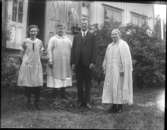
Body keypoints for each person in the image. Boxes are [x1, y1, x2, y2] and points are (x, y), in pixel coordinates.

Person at [102, 29, 133, 113]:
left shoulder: (123, 45)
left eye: (115, 34)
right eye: (112, 34)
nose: (113, 36)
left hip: (119, 71)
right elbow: (106, 57)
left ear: (119, 34)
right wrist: (104, 65)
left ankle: (119, 106)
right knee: (111, 87)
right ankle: (113, 105)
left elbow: (127, 59)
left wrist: (123, 69)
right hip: (110, 71)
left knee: (119, 87)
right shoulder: (110, 46)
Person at [71, 18, 96, 109]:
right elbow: (73, 50)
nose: (84, 25)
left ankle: (87, 102)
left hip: (88, 64)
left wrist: (93, 62)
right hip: (78, 64)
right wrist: (73, 63)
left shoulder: (92, 36)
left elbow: (94, 50)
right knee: (79, 84)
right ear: (80, 25)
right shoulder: (76, 36)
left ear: (87, 25)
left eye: (85, 24)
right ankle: (80, 101)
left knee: (88, 84)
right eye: (82, 24)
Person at [17, 25, 44, 110]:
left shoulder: (40, 42)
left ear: (37, 32)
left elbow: (41, 52)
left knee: (37, 84)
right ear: (29, 32)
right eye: (31, 31)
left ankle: (37, 102)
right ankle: (28, 101)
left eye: (35, 31)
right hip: (27, 65)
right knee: (27, 83)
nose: (33, 33)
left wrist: (38, 60)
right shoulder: (25, 41)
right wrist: (23, 62)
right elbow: (21, 53)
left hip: (36, 65)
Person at [47, 23, 72, 98]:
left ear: (64, 29)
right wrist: (50, 60)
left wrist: (72, 61)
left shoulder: (68, 39)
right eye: (59, 28)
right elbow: (49, 50)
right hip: (56, 62)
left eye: (62, 28)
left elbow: (72, 49)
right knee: (56, 76)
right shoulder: (53, 39)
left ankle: (63, 94)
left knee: (64, 76)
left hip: (65, 62)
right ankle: (55, 94)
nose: (61, 30)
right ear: (56, 30)